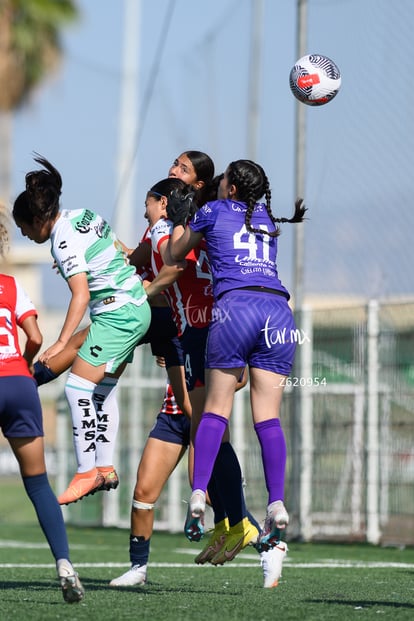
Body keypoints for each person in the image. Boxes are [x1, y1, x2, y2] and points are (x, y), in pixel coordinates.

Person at [168, 159, 307, 587]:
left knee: (215, 409)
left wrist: (179, 219)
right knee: (268, 418)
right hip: (279, 313)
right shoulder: (268, 218)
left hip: (236, 309)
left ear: (228, 188)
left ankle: (197, 492)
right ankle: (277, 503)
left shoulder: (214, 210)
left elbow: (175, 253)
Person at [12, 155, 152, 505]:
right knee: (102, 391)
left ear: (38, 220)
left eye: (24, 227)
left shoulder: (61, 240)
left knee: (76, 388)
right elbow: (116, 250)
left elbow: (81, 294)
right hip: (130, 307)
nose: (23, 234)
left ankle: (86, 471)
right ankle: (104, 468)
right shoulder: (83, 215)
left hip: (118, 313)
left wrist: (60, 342)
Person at [140, 178, 262, 565]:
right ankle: (230, 521)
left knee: (209, 430)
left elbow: (173, 266)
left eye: (150, 204)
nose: (148, 213)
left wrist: (136, 291)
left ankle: (241, 522)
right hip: (209, 329)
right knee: (209, 430)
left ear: (166, 203)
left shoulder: (180, 231)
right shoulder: (205, 228)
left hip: (205, 331)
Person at [0, 204, 84, 603]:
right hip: (19, 381)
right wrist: (25, 364)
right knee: (37, 484)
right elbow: (34, 336)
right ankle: (65, 564)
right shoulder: (12, 286)